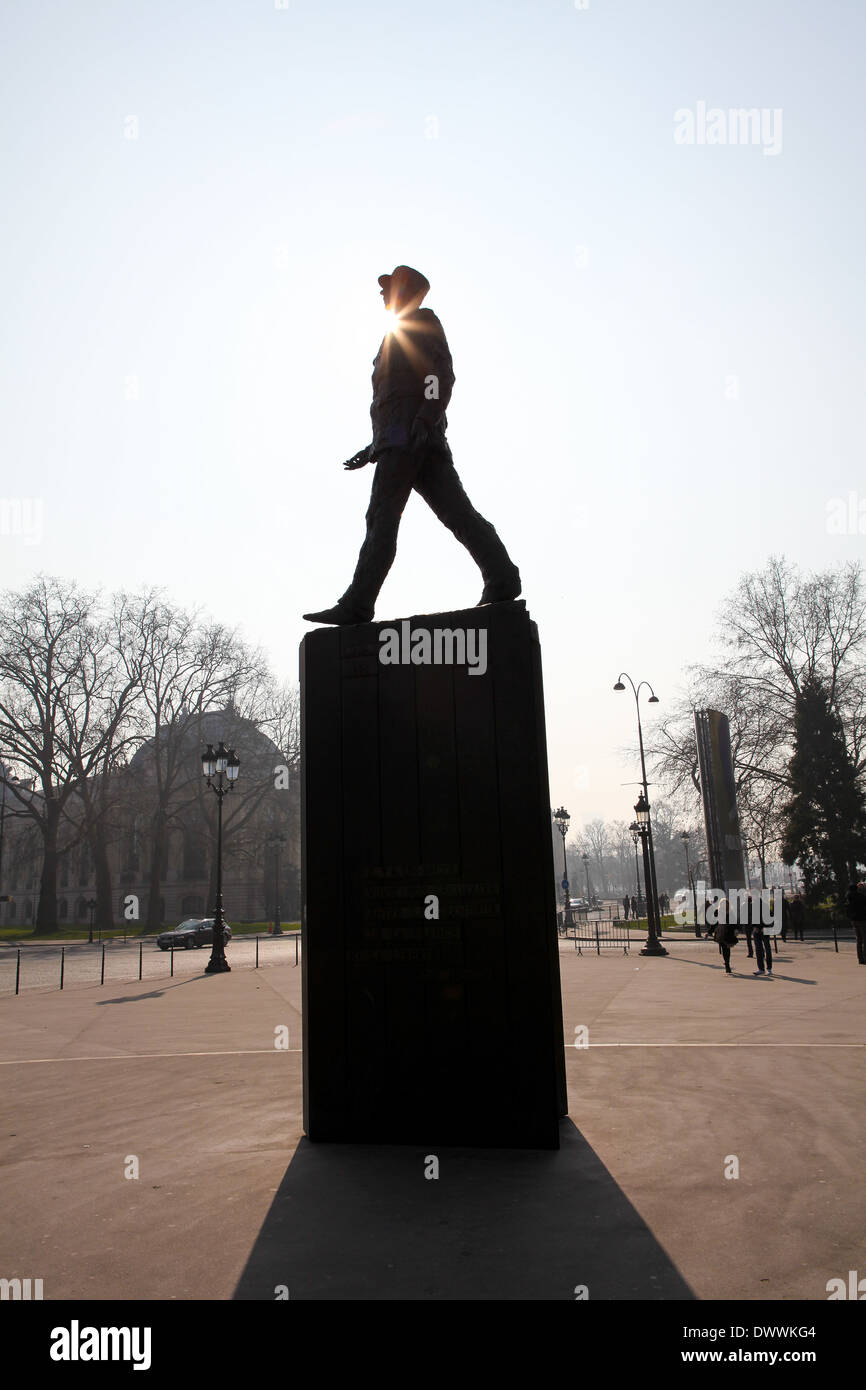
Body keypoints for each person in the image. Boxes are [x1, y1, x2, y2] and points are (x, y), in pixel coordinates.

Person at [303, 265, 521, 625]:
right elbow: (394, 400)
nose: (383, 295)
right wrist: (373, 447)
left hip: (412, 440)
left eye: (388, 288)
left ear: (405, 292)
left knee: (382, 519)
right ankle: (502, 576)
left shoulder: (421, 324)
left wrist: (426, 416)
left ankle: (358, 604)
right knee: (455, 513)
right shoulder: (396, 334)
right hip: (401, 441)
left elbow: (438, 376)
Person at [845, 880, 866, 965]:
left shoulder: (848, 898)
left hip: (854, 920)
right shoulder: (861, 897)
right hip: (862, 919)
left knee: (858, 940)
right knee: (865, 939)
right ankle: (865, 957)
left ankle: (860, 958)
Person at [713, 900, 736, 975]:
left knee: (727, 948)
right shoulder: (717, 912)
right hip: (721, 932)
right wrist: (710, 931)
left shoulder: (730, 912)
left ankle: (727, 962)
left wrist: (736, 929)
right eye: (723, 904)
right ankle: (727, 964)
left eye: (726, 904)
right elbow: (714, 922)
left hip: (728, 932)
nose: (724, 905)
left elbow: (734, 922)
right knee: (724, 948)